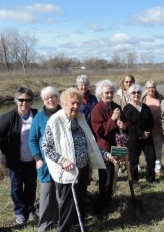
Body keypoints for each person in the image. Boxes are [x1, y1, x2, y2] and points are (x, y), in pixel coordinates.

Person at [41, 87, 105, 232]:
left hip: (82, 169)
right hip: (67, 172)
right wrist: (63, 161)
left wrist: (106, 155)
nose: (76, 106)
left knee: (81, 200)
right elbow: (46, 147)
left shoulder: (80, 118)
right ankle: (63, 229)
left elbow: (91, 143)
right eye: (72, 103)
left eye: (78, 103)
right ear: (64, 103)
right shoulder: (55, 121)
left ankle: (79, 226)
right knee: (67, 205)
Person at [0, 86, 38, 224]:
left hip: (33, 159)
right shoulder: (7, 117)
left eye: (27, 100)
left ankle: (30, 209)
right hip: (15, 160)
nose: (24, 102)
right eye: (21, 99)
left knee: (31, 186)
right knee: (16, 186)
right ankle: (20, 211)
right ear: (16, 101)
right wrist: (8, 152)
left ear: (31, 101)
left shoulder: (37, 115)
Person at [91, 79, 128, 219]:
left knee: (113, 178)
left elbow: (127, 125)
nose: (109, 95)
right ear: (101, 93)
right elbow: (100, 132)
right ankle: (97, 209)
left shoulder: (117, 107)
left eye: (111, 92)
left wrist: (123, 126)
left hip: (118, 148)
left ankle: (107, 201)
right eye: (106, 92)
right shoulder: (97, 110)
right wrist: (112, 120)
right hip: (104, 151)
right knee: (106, 179)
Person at [28, 86, 61, 231]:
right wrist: (38, 159)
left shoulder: (65, 113)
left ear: (57, 98)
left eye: (53, 96)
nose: (50, 100)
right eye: (47, 98)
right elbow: (32, 140)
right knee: (46, 194)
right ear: (43, 100)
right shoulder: (38, 117)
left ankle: (62, 220)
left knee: (62, 193)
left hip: (64, 162)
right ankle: (44, 225)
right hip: (46, 163)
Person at [123, 83, 156, 186]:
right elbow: (128, 125)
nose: (136, 95)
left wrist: (147, 133)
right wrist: (141, 133)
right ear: (130, 94)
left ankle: (150, 178)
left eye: (138, 92)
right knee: (133, 161)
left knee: (151, 158)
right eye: (133, 93)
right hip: (133, 139)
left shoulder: (145, 107)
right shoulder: (127, 108)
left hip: (147, 138)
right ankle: (134, 180)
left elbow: (152, 121)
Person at [142, 80, 164, 176]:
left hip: (158, 128)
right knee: (148, 151)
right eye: (148, 87)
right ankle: (150, 167)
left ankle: (158, 168)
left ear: (155, 88)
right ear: (146, 89)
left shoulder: (160, 98)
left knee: (158, 149)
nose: (151, 89)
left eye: (153, 87)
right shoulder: (142, 99)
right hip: (146, 129)